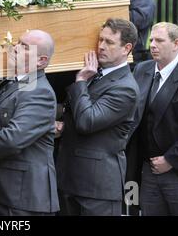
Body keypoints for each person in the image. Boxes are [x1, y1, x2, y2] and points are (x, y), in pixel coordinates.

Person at [0, 29, 59, 216]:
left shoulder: (39, 91)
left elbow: (13, 138)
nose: (15, 48)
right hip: (1, 192)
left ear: (41, 61)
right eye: (17, 43)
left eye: (25, 47)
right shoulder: (12, 83)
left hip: (22, 199)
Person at [56, 18, 140, 216]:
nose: (101, 46)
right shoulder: (96, 73)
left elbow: (87, 121)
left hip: (97, 187)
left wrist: (81, 81)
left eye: (109, 42)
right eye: (100, 40)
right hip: (70, 178)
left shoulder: (125, 87)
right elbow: (74, 112)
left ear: (126, 48)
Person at [132, 22, 178, 215]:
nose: (153, 45)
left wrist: (170, 160)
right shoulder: (142, 70)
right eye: (151, 40)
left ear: (176, 44)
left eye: (159, 40)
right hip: (148, 169)